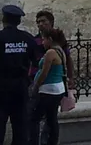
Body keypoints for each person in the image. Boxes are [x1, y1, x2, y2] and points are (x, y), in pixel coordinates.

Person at [0, 3, 37, 145]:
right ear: (18, 21)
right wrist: (29, 79)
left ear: (4, 20)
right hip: (20, 86)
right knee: (20, 126)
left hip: (0, 86)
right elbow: (36, 62)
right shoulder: (28, 38)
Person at [31, 10, 75, 145]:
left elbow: (67, 59)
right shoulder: (35, 40)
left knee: (39, 117)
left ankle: (42, 141)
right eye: (38, 22)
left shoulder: (56, 46)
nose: (40, 24)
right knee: (49, 117)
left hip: (47, 85)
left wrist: (71, 78)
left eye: (43, 21)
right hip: (47, 84)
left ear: (51, 22)